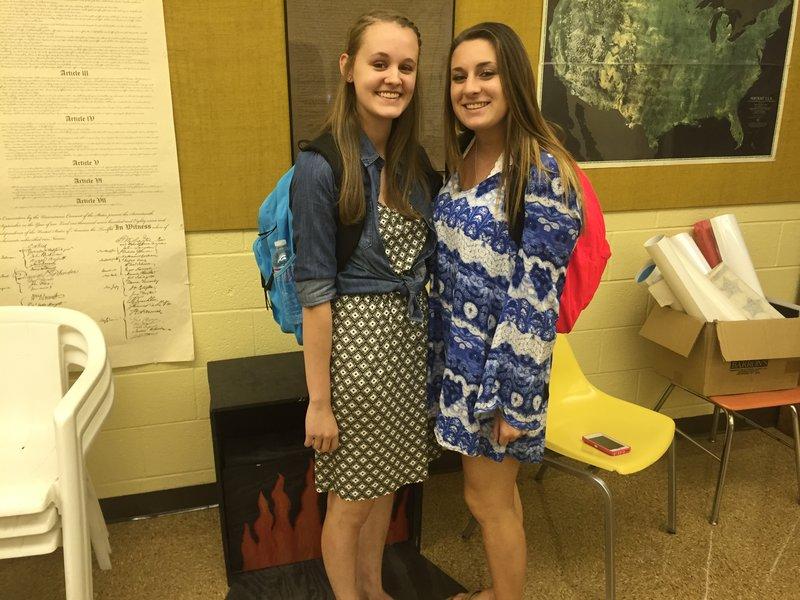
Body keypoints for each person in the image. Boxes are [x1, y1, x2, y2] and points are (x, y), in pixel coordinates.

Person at [427, 22, 584, 600]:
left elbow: (534, 302)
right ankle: (501, 589)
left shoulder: (542, 171)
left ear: (513, 78)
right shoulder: (465, 161)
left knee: (483, 499)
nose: (470, 87)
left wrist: (512, 397)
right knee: (499, 495)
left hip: (500, 373)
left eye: (486, 73)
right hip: (461, 366)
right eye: (459, 76)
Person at [290, 11, 439, 600]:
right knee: (350, 502)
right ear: (349, 69)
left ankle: (374, 590)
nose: (393, 77)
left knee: (385, 490)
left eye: (406, 66)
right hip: (354, 365)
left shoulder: (413, 163)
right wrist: (319, 404)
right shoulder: (320, 166)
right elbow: (316, 297)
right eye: (379, 63)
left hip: (404, 356)